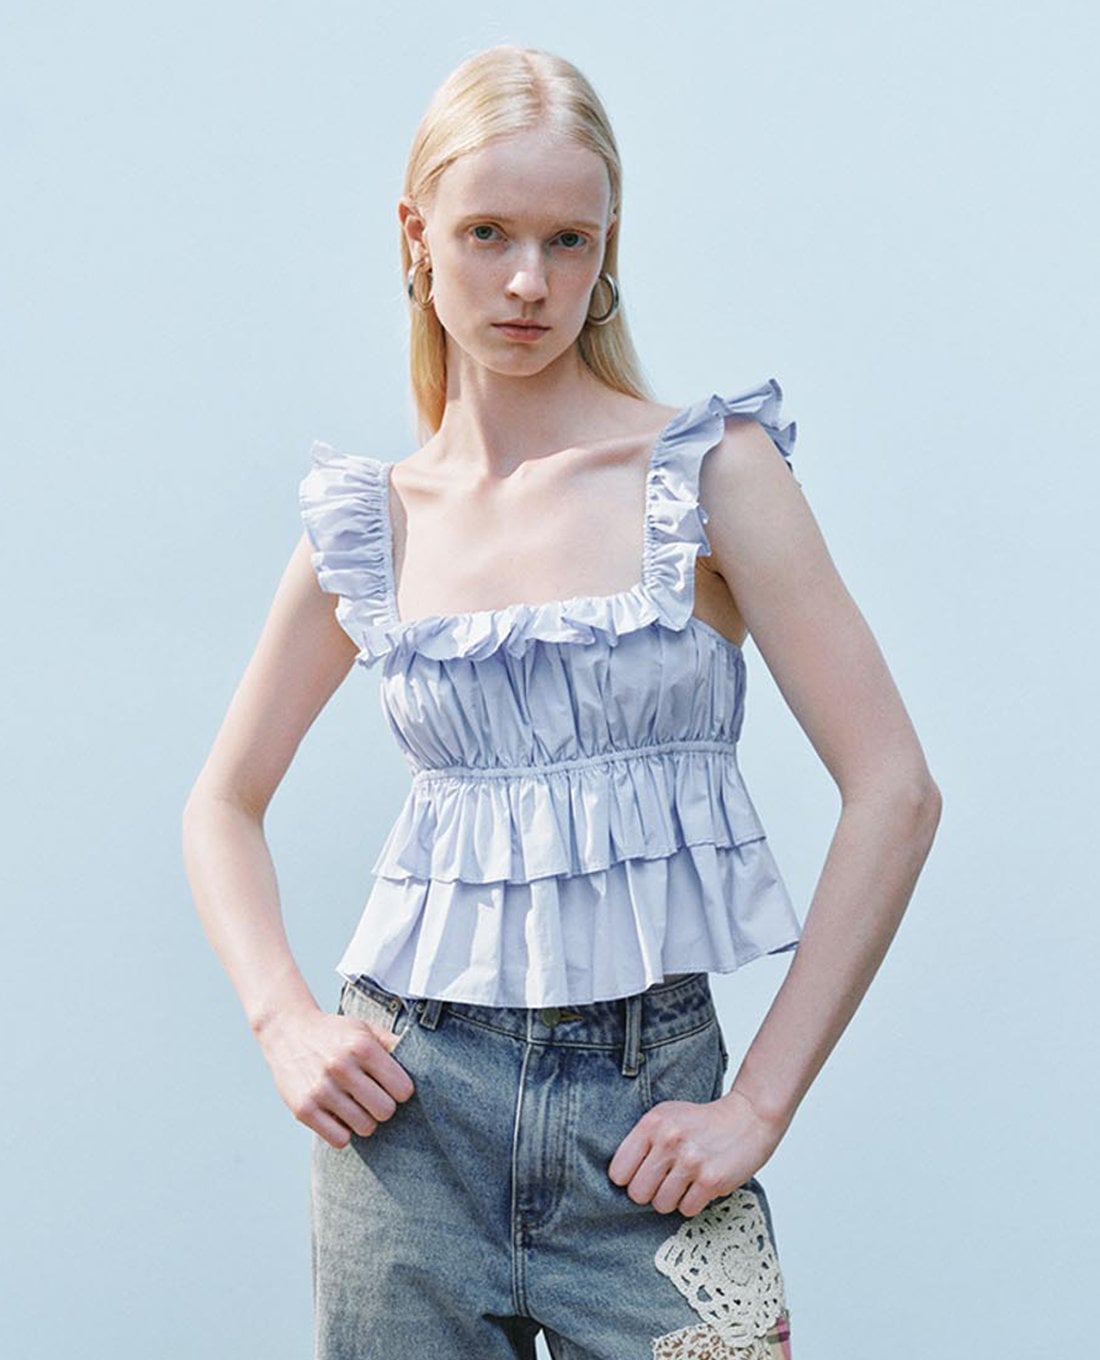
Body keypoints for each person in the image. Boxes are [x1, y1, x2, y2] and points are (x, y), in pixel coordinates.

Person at [182, 43, 942, 1360]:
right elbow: (222, 802)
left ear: (607, 249)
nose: (529, 281)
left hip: (649, 1124)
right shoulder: (370, 521)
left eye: (566, 240)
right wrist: (283, 1019)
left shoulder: (712, 472)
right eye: (486, 233)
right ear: (416, 237)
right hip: (407, 1124)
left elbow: (897, 791)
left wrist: (761, 1104)